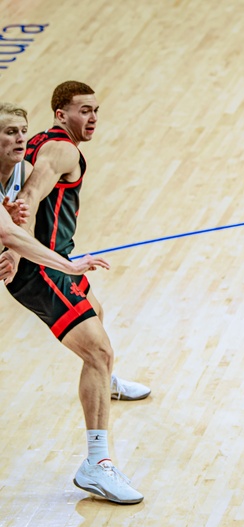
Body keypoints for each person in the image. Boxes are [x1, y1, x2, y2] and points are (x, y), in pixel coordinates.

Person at [3, 83, 149, 505]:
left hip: (52, 259)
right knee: (97, 352)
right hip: (40, 269)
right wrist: (14, 249)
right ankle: (97, 465)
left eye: (96, 110)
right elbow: (28, 200)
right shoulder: (62, 150)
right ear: (59, 112)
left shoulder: (41, 144)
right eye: (84, 110)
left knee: (95, 313)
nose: (93, 118)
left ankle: (106, 385)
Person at [0, 102, 108, 282]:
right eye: (11, 132)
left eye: (24, 131)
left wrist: (14, 251)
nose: (20, 138)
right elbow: (8, 233)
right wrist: (71, 267)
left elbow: (25, 224)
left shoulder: (24, 171)